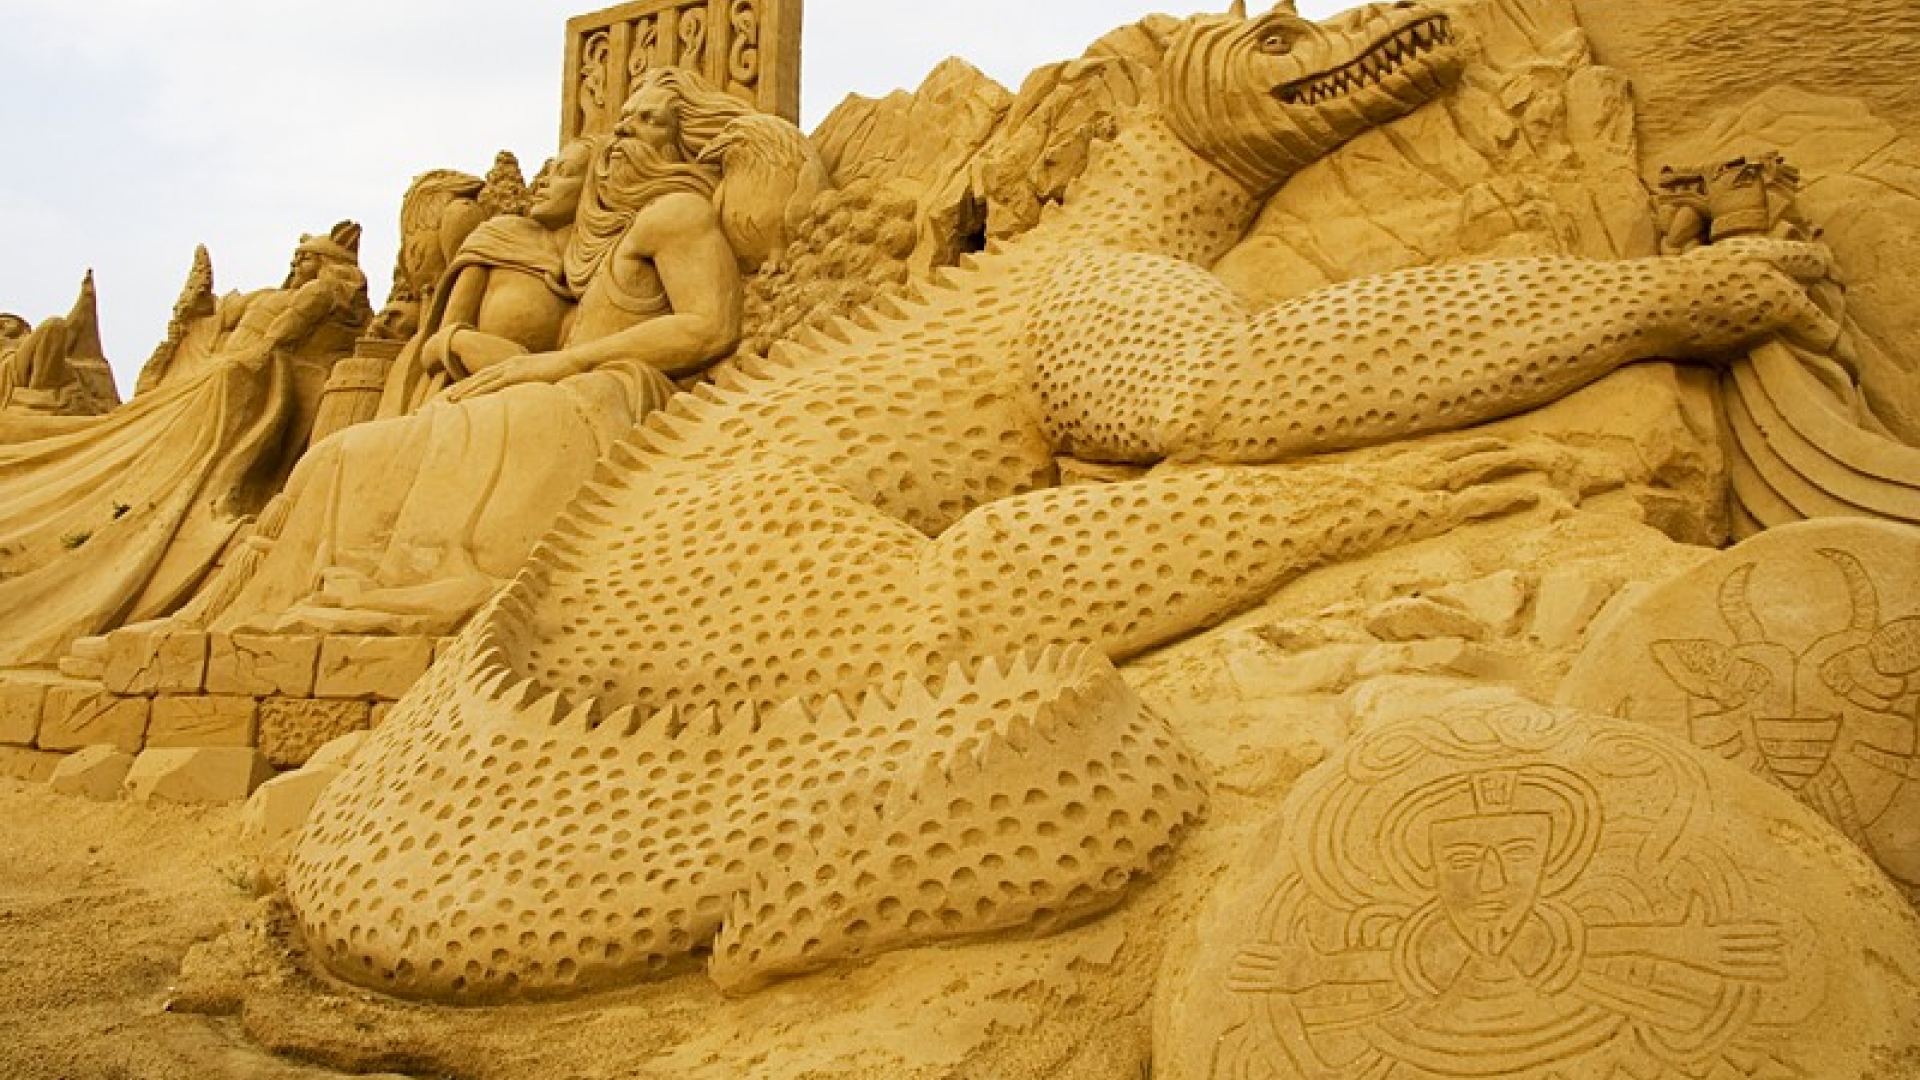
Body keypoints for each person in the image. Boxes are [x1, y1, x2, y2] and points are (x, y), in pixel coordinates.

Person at [186, 68, 748, 636]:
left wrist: (561, 362)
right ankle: (236, 610)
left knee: (372, 457)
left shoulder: (678, 213)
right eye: (623, 120)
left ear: (680, 139)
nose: (624, 133)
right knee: (338, 456)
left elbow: (709, 326)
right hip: (561, 391)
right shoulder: (612, 232)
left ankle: (401, 585)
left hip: (608, 397)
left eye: (648, 121)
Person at [0, 227, 367, 665]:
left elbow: (283, 334)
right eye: (297, 256)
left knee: (206, 399)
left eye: (305, 257)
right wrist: (201, 309)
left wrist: (250, 354)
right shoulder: (275, 295)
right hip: (230, 372)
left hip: (255, 379)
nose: (296, 263)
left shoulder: (321, 293)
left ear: (325, 263)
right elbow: (228, 318)